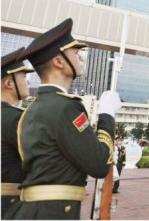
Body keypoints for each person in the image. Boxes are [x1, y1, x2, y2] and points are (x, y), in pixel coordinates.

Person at [6, 18, 121, 220]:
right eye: (75, 53)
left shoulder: (32, 109)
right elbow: (99, 165)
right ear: (58, 61)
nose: (80, 59)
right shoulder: (66, 107)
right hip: (53, 213)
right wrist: (106, 115)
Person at [1, 47, 33, 218]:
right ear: (8, 83)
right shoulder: (17, 119)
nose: (28, 82)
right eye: (24, 77)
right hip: (9, 205)